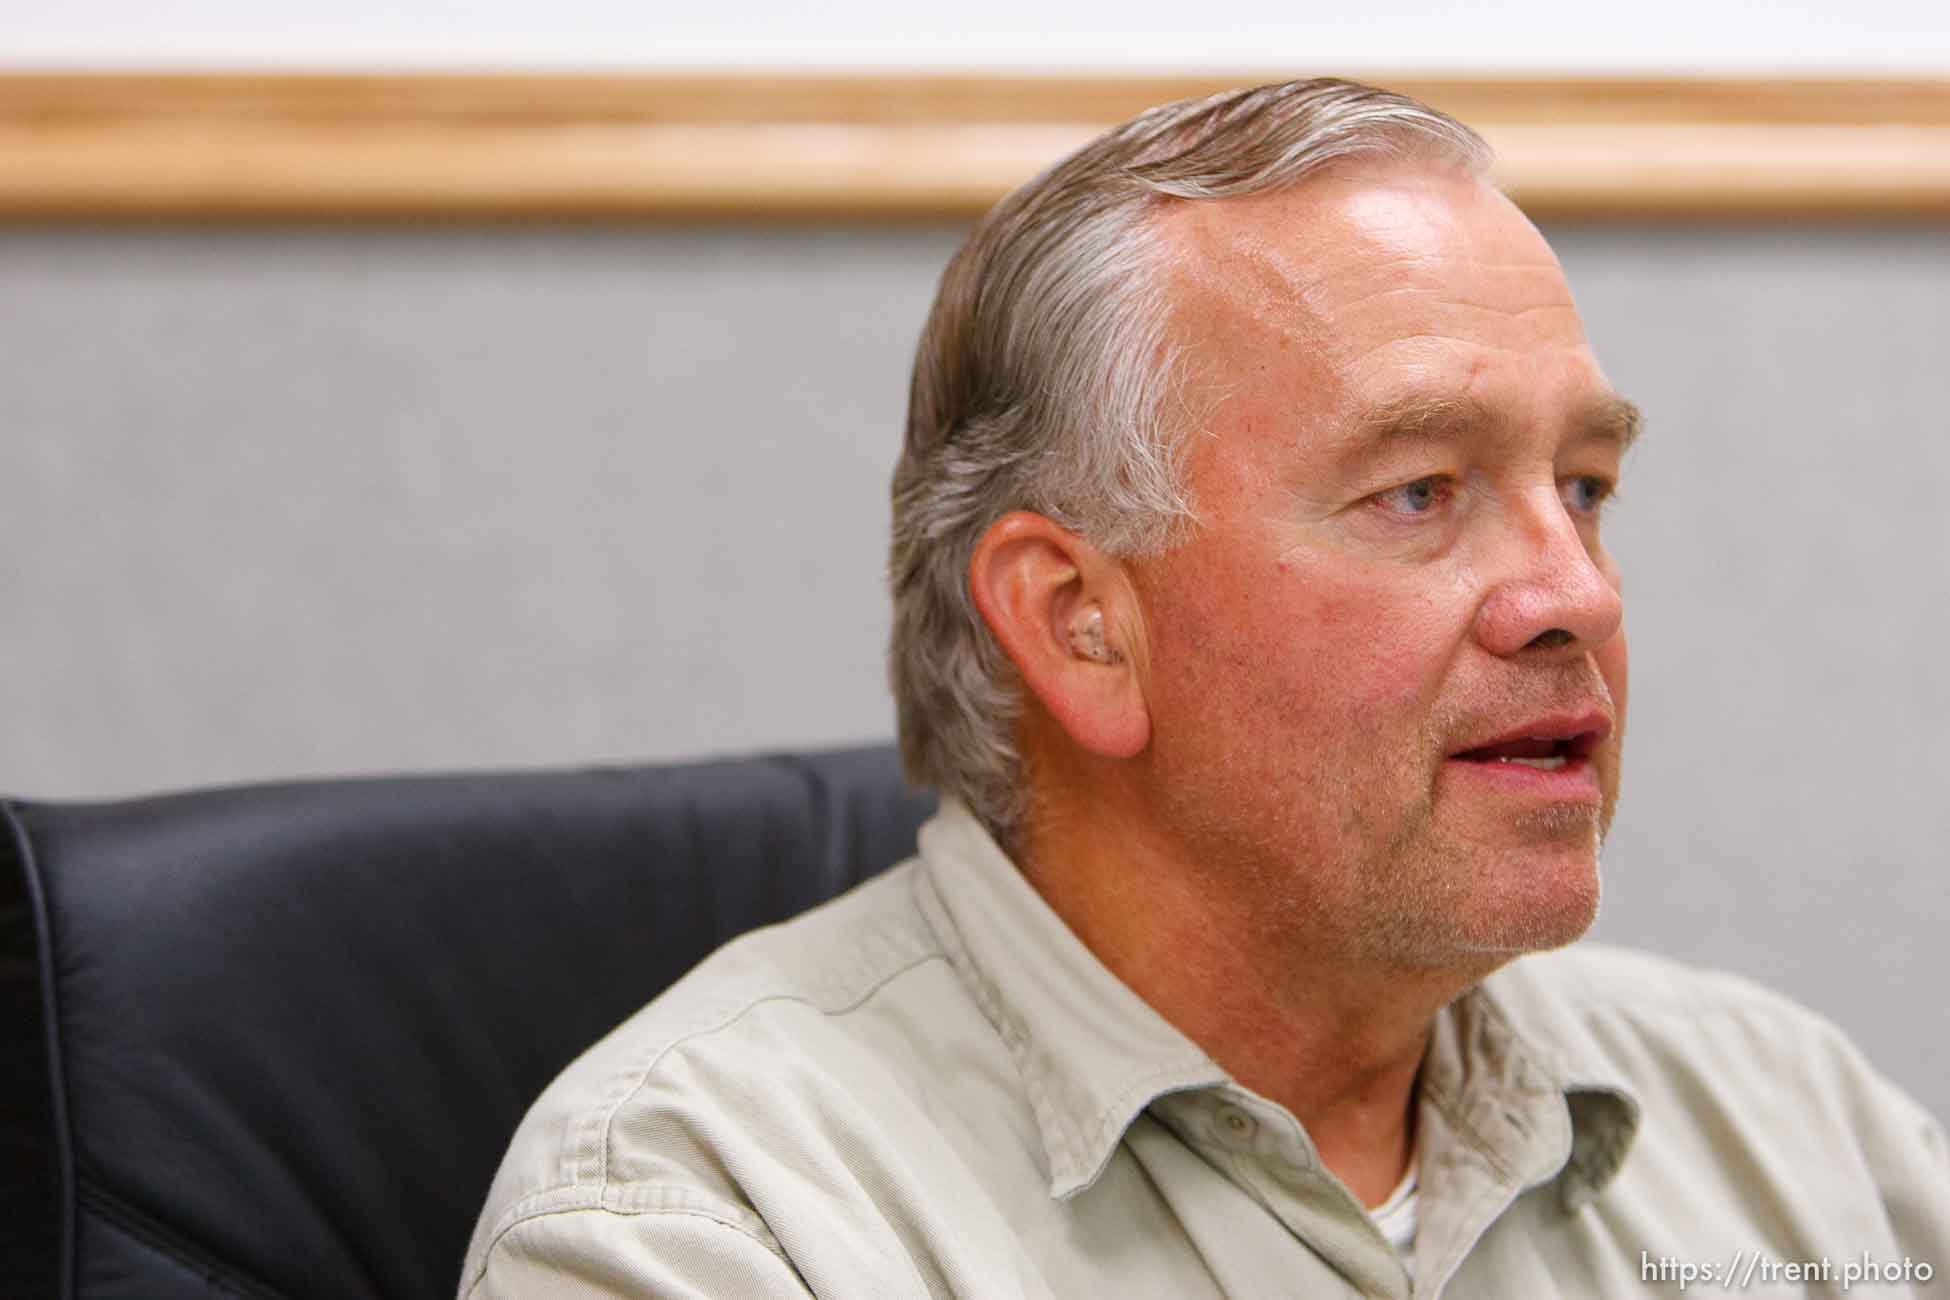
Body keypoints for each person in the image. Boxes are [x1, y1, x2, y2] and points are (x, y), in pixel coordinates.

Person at [460, 79, 1949, 1298]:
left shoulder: (1787, 1126)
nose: (1576, 595)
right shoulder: (712, 1219)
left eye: (1583, 484)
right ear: (1081, 626)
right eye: (1419, 492)